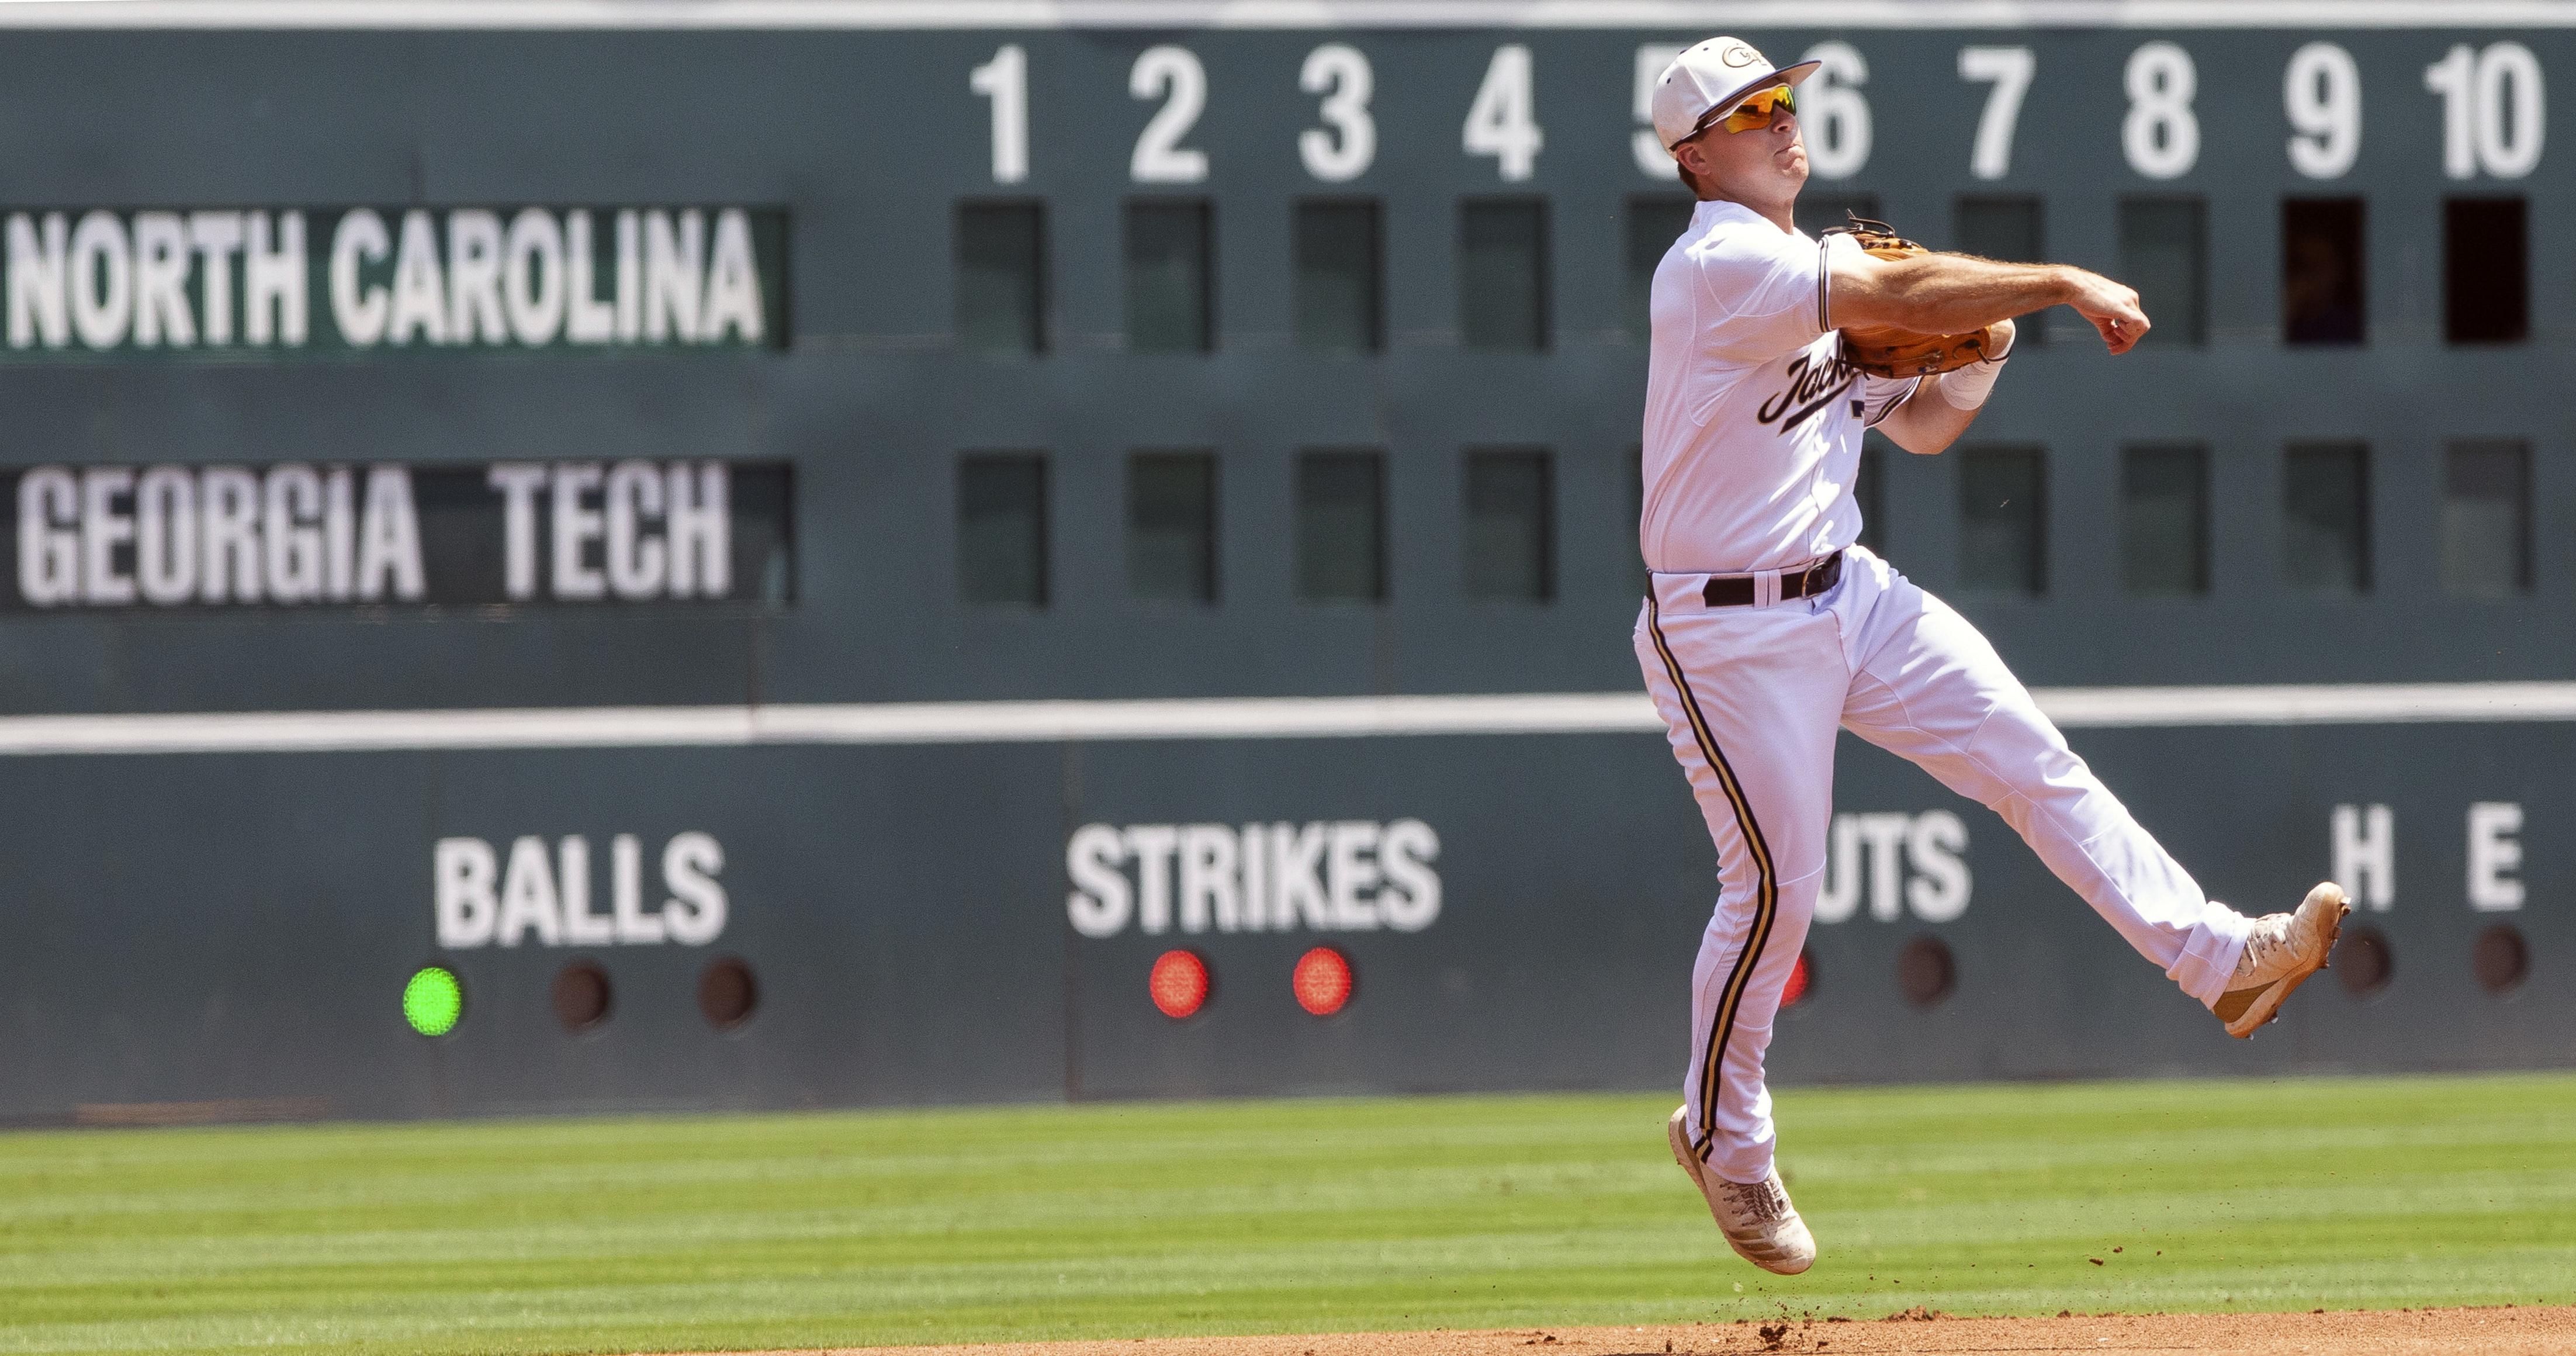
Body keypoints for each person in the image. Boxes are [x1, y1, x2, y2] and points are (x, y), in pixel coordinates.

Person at [1634, 37, 2349, 1277]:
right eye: (1751, 110)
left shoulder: (1812, 274)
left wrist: (1984, 363)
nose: (1782, 119)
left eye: (1785, 98)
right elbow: (1898, 305)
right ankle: (1721, 1134)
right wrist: (2055, 282)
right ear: (1696, 156)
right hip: (1727, 628)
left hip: (1841, 591)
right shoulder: (1719, 264)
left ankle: (2220, 961)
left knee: (2030, 758)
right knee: (1774, 886)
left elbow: (1914, 432)